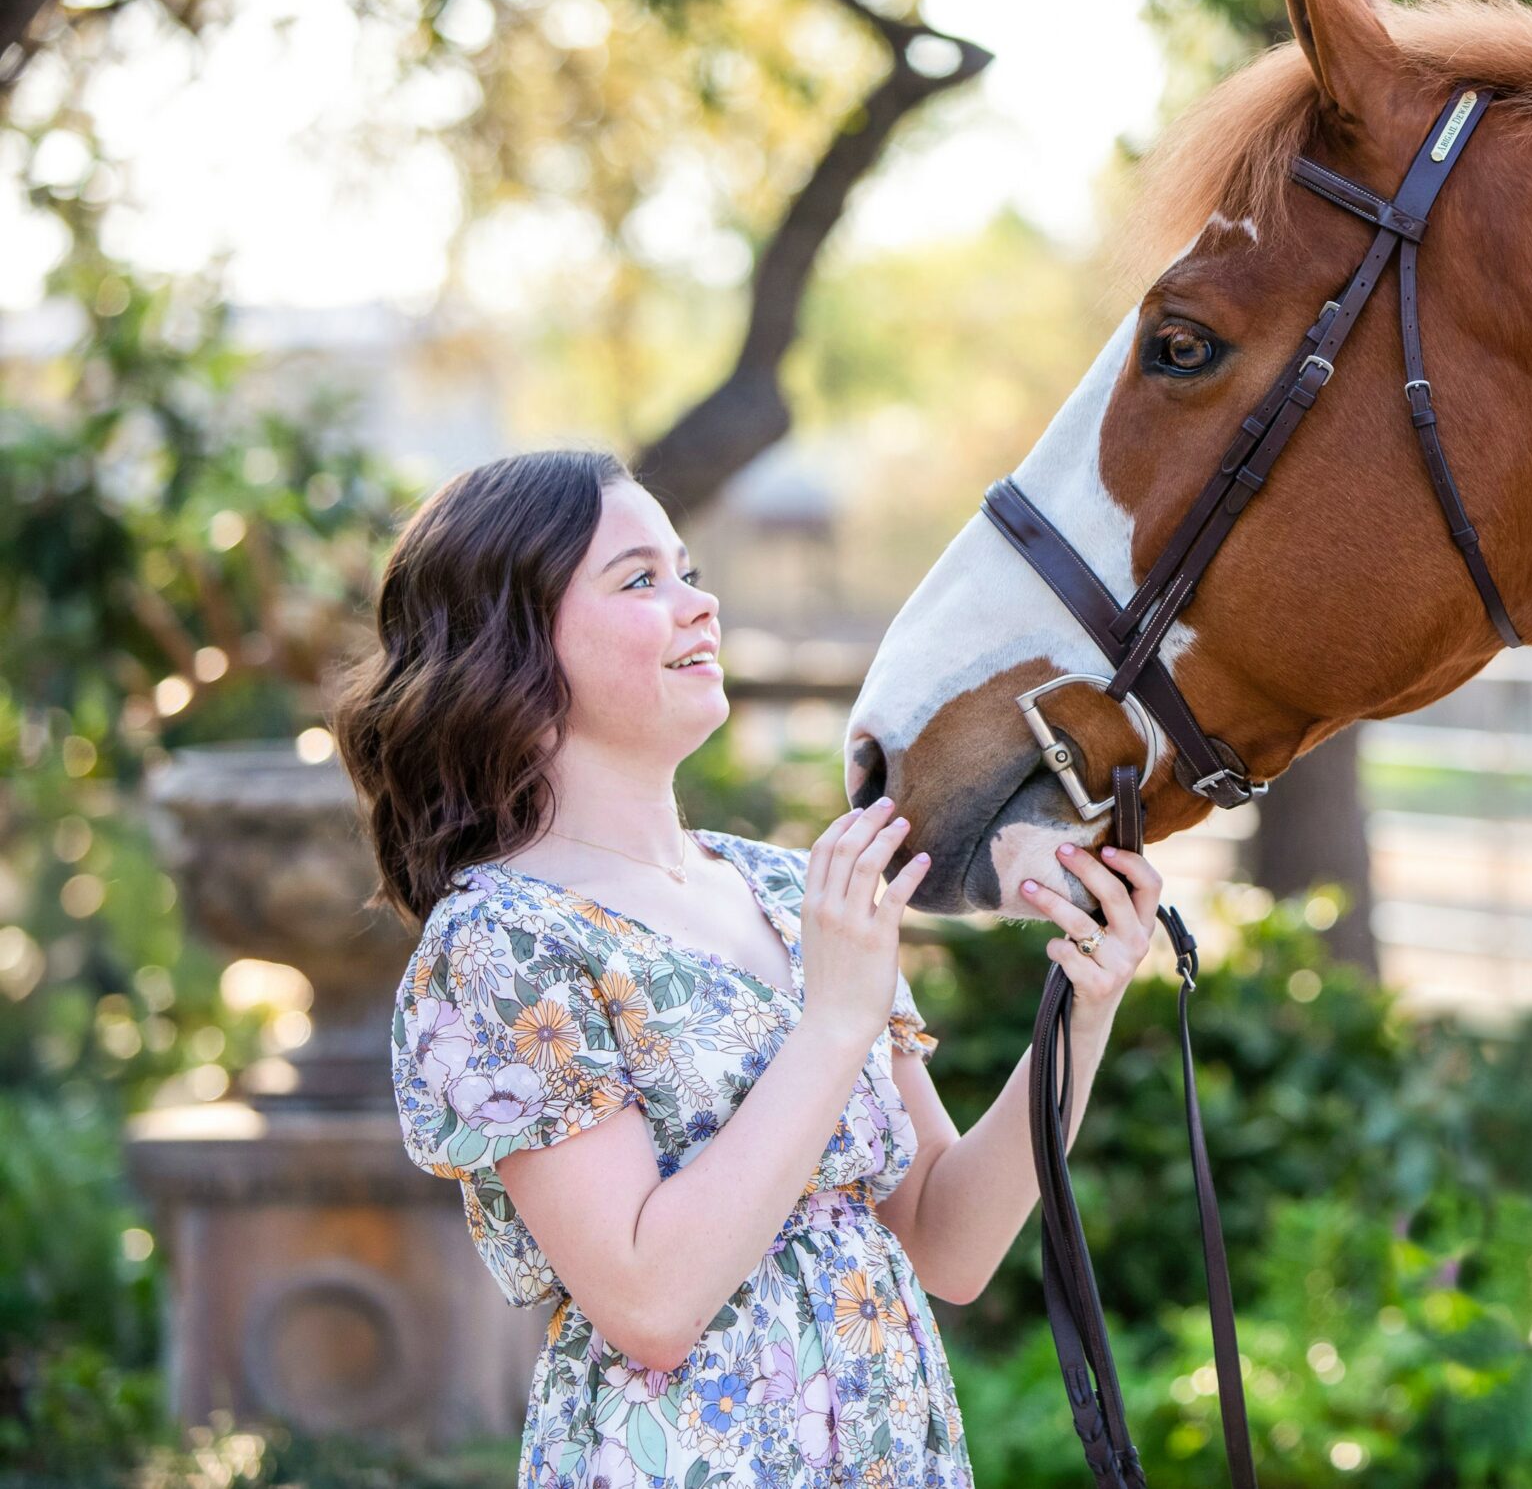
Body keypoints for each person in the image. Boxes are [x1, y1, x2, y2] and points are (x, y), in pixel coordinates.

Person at [333, 447, 1161, 1489]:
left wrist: (1081, 1009)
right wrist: (833, 1022)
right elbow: (648, 1301)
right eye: (640, 579)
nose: (699, 603)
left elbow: (948, 1241)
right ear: (508, 644)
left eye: (687, 568)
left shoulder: (792, 889)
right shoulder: (503, 942)